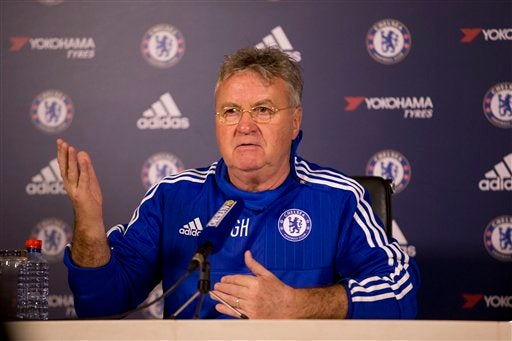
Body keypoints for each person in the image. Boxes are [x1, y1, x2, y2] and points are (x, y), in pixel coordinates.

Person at [57, 46, 419, 319]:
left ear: (294, 123)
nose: (245, 125)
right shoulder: (174, 197)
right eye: (230, 111)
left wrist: (298, 305)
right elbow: (101, 303)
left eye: (263, 110)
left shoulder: (338, 199)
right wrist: (89, 223)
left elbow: (402, 292)